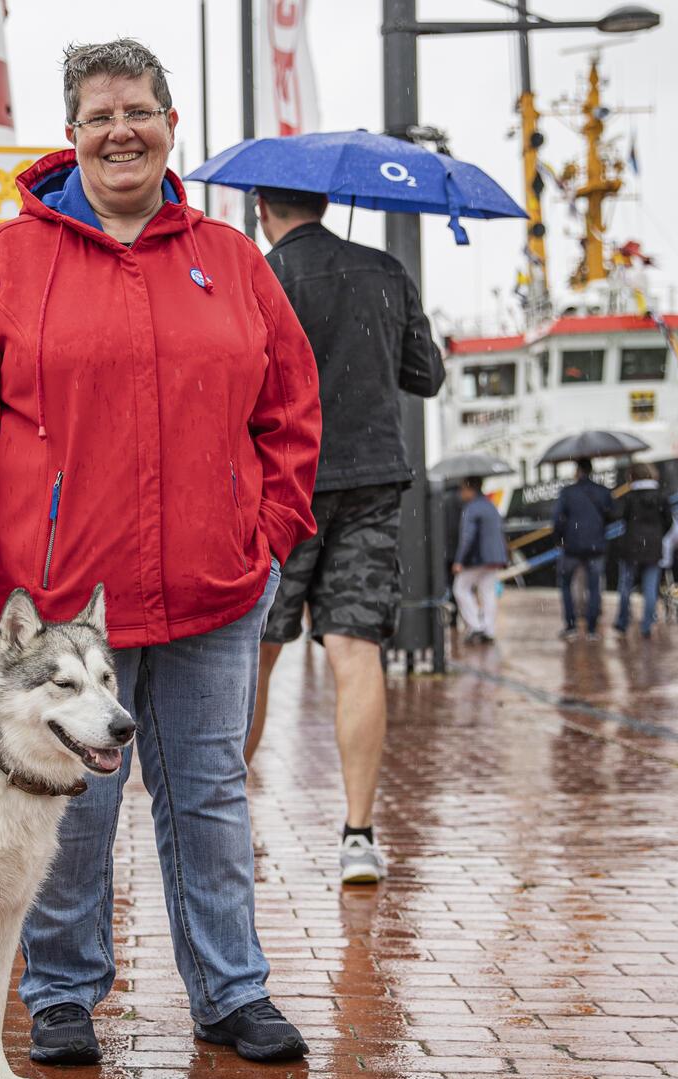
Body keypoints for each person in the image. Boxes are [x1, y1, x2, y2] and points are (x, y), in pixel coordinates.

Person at [0, 39, 322, 1066]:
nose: (120, 129)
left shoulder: (228, 261)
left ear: (172, 126)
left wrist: (264, 536)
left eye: (137, 109)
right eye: (98, 114)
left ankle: (232, 992)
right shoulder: (8, 262)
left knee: (211, 795)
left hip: (213, 589)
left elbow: (291, 413)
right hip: (56, 603)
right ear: (72, 136)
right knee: (66, 804)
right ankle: (60, 994)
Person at [243, 183, 445, 887]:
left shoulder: (263, 274)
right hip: (370, 482)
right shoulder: (385, 271)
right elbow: (427, 374)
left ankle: (226, 818)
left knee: (257, 651)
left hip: (286, 485)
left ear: (263, 208)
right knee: (357, 653)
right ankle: (358, 835)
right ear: (326, 204)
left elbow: (240, 385)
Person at [552, 459, 614, 639]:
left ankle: (571, 625)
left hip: (571, 546)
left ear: (577, 471)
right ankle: (592, 628)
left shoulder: (567, 493)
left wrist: (559, 539)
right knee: (594, 587)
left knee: (565, 584)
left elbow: (557, 519)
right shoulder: (603, 492)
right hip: (596, 545)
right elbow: (612, 515)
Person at [612, 461, 672, 638]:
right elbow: (668, 522)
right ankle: (647, 625)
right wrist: (658, 536)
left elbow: (621, 518)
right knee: (650, 588)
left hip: (631, 546)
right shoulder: (661, 497)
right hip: (653, 548)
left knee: (625, 586)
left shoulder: (629, 498)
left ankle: (623, 622)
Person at [451, 477, 507, 643]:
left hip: (477, 557)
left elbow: (467, 537)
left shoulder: (471, 508)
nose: (461, 493)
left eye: (462, 489)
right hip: (494, 558)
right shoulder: (491, 505)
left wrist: (459, 560)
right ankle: (489, 629)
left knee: (460, 588)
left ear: (470, 489)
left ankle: (475, 626)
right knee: (487, 592)